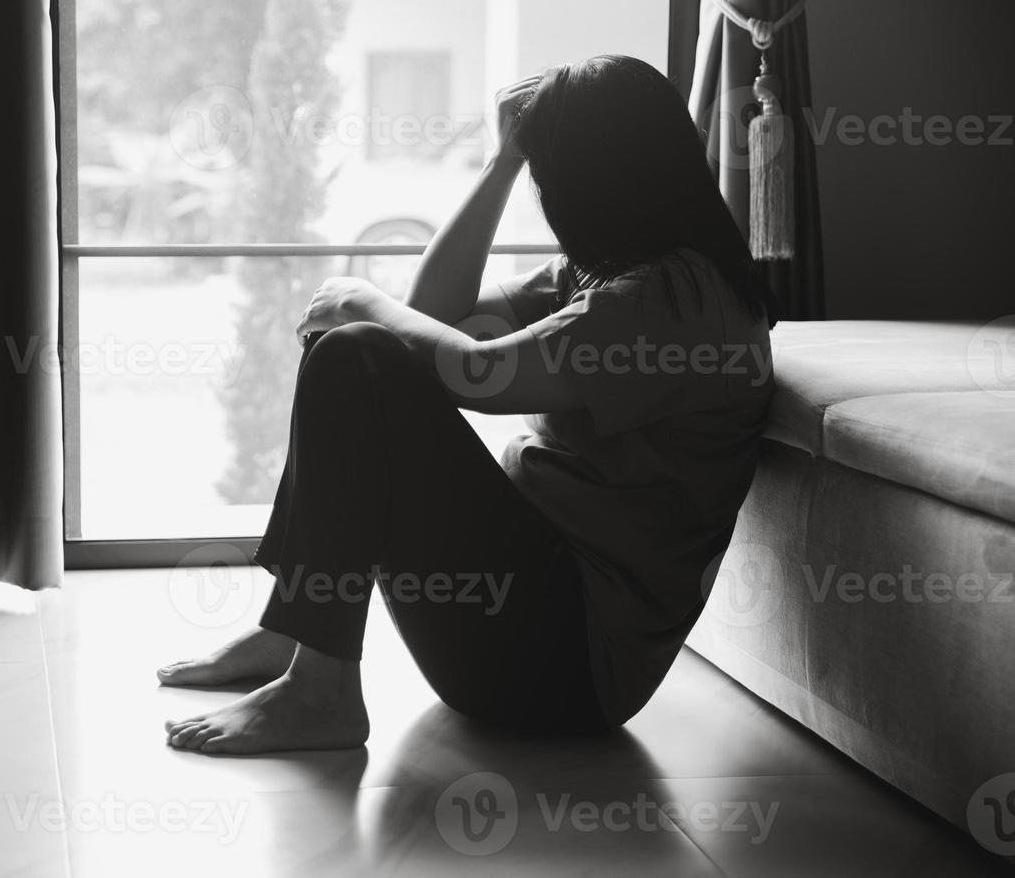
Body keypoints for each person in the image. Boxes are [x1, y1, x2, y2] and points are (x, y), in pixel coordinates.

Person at [158, 54, 779, 755]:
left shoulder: (671, 304)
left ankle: (320, 694)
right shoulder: (616, 275)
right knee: (360, 351)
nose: (549, 201)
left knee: (355, 351)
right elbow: (436, 315)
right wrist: (503, 162)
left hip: (564, 664)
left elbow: (478, 373)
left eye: (550, 180)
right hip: (523, 614)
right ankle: (296, 633)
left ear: (601, 183)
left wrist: (363, 299)